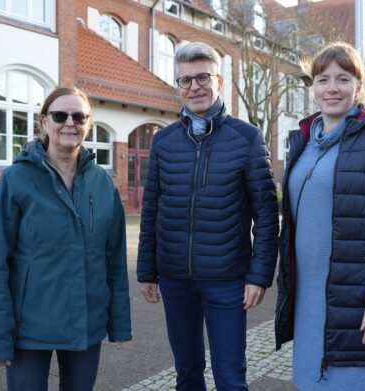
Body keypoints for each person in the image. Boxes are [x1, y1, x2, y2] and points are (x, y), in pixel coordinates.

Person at [274, 41, 365, 391]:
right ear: (312, 87)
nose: (332, 88)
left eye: (343, 78)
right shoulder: (304, 141)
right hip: (308, 302)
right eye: (322, 79)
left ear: (359, 86)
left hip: (356, 303)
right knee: (310, 383)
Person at [137, 42, 279, 390]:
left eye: (202, 77)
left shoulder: (246, 138)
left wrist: (259, 277)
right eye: (185, 80)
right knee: (186, 373)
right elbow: (151, 206)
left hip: (227, 279)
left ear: (218, 80)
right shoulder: (164, 141)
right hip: (174, 279)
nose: (194, 86)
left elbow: (265, 212)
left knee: (230, 376)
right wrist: (147, 270)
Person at [0, 86, 131, 391]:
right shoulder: (17, 180)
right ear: (45, 122)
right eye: (60, 115)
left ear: (89, 123)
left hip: (86, 324)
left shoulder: (102, 184)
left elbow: (114, 260)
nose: (69, 122)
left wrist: (118, 322)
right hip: (29, 328)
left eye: (79, 116)